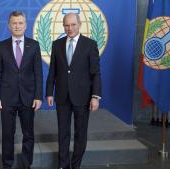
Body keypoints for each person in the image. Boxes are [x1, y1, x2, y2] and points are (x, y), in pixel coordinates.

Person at [46, 13, 102, 169]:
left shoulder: (90, 44)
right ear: (63, 26)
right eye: (66, 25)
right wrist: (49, 92)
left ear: (80, 24)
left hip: (83, 97)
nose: (69, 28)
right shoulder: (56, 45)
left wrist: (95, 97)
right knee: (63, 133)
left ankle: (75, 165)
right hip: (62, 96)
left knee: (80, 134)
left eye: (73, 25)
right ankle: (63, 165)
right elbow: (52, 71)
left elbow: (95, 73)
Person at [0, 11, 43, 169]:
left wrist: (38, 96)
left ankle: (26, 164)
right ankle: (7, 165)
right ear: (9, 26)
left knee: (28, 134)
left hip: (28, 97)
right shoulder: (1, 46)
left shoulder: (34, 45)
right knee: (7, 134)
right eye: (14, 23)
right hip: (7, 98)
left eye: (20, 23)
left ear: (25, 25)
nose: (17, 26)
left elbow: (38, 73)